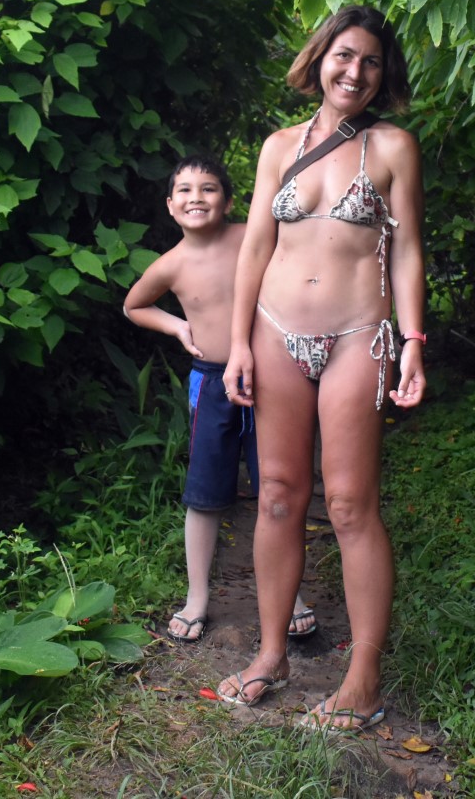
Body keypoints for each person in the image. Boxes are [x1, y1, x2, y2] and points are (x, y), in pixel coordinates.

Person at [218, 5, 427, 731]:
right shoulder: (279, 146)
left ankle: (362, 680)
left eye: (371, 61)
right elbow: (254, 246)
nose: (355, 72)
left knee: (348, 504)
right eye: (344, 55)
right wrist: (238, 342)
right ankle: (270, 654)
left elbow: (407, 248)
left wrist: (413, 340)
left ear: (383, 73)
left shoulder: (393, 146)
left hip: (357, 337)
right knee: (276, 494)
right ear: (320, 57)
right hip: (275, 331)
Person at [123, 154, 317, 644]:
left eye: (209, 188)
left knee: (278, 486)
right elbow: (134, 305)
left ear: (229, 202)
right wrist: (177, 325)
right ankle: (197, 597)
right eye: (185, 191)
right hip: (211, 384)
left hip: (270, 376)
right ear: (170, 205)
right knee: (204, 493)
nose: (197, 198)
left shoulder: (252, 240)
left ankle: (289, 595)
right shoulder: (171, 264)